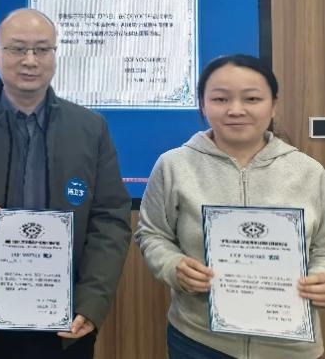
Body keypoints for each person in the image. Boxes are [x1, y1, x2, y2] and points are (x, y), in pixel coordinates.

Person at [0, 8, 132, 359]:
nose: (30, 60)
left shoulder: (90, 128)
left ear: (54, 54)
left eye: (42, 49)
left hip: (65, 313)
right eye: (18, 49)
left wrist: (93, 300)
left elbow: (110, 217)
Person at [136, 54, 325, 358]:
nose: (236, 110)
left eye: (252, 98)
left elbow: (322, 247)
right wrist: (173, 266)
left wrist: (319, 276)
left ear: (273, 105)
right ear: (202, 104)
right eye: (220, 99)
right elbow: (152, 233)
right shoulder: (173, 166)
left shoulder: (310, 172)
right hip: (199, 340)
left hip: (289, 344)